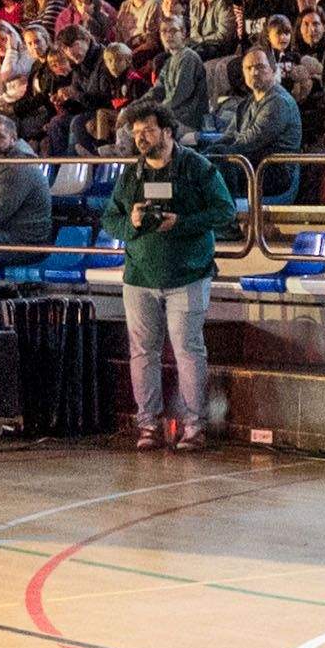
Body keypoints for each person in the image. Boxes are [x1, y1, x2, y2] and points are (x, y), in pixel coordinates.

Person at [102, 99, 238, 449]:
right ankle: (147, 424)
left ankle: (196, 426)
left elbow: (224, 211)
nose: (141, 138)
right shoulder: (132, 174)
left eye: (148, 129)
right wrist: (130, 224)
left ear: (167, 130)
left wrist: (182, 223)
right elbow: (109, 219)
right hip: (139, 277)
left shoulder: (197, 167)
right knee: (142, 352)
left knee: (188, 351)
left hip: (188, 274)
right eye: (136, 133)